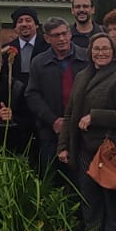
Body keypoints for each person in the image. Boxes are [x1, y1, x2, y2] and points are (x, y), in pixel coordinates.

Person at [59, 33, 116, 231]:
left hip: (109, 151)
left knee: (113, 202)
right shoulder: (82, 76)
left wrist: (96, 116)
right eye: (96, 48)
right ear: (90, 52)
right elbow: (69, 114)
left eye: (105, 48)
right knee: (90, 202)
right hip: (85, 150)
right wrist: (63, 145)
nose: (100, 52)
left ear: (113, 53)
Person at [24, 17, 82, 174]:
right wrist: (53, 120)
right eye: (56, 35)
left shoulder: (86, 59)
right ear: (47, 38)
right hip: (50, 131)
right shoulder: (38, 62)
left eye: (64, 33)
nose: (62, 39)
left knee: (79, 180)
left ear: (70, 34)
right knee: (50, 177)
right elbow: (32, 94)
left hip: (81, 131)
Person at [6, 7, 45, 85]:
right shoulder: (7, 49)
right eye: (20, 21)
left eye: (28, 20)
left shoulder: (48, 46)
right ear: (15, 28)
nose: (24, 24)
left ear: (36, 25)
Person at [69, 0, 97, 65]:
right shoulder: (65, 36)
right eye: (77, 7)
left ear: (93, 9)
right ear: (72, 10)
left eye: (85, 6)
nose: (81, 10)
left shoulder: (104, 34)